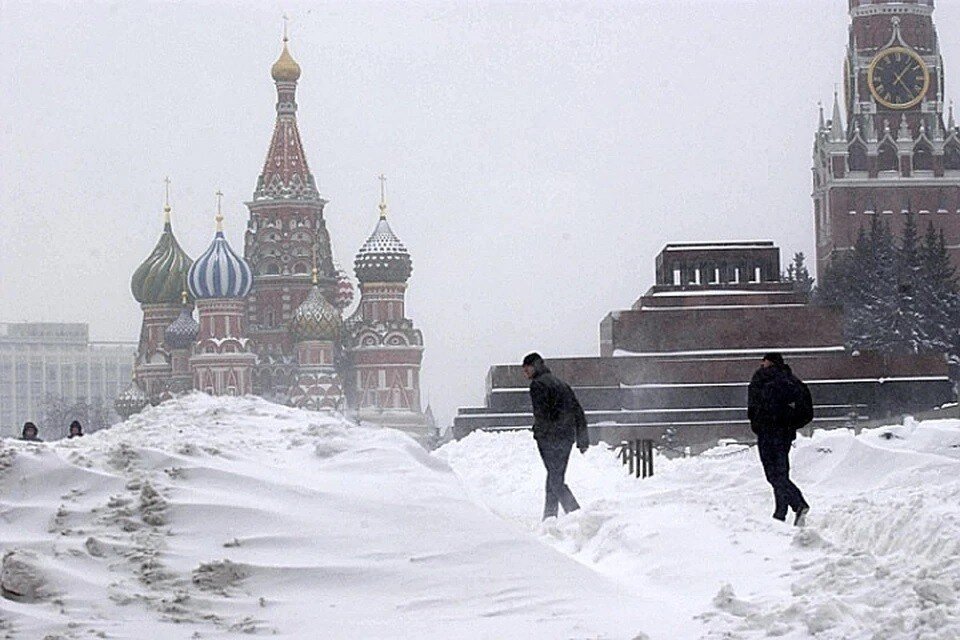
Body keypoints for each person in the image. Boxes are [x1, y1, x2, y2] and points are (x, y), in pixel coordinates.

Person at [522, 352, 590, 521]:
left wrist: (540, 433)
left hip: (551, 439)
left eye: (527, 369)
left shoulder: (538, 385)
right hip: (566, 438)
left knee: (555, 481)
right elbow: (578, 411)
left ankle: (576, 514)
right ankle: (550, 518)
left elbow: (542, 414)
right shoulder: (562, 384)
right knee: (554, 477)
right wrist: (582, 439)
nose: (525, 373)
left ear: (535, 366)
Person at [748, 352, 810, 526]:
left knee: (773, 474)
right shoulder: (791, 380)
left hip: (769, 432)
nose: (763, 364)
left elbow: (753, 405)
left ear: (769, 362)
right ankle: (781, 512)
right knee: (780, 473)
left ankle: (795, 505)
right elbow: (806, 410)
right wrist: (791, 423)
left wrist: (758, 422)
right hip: (781, 433)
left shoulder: (761, 380)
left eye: (765, 361)